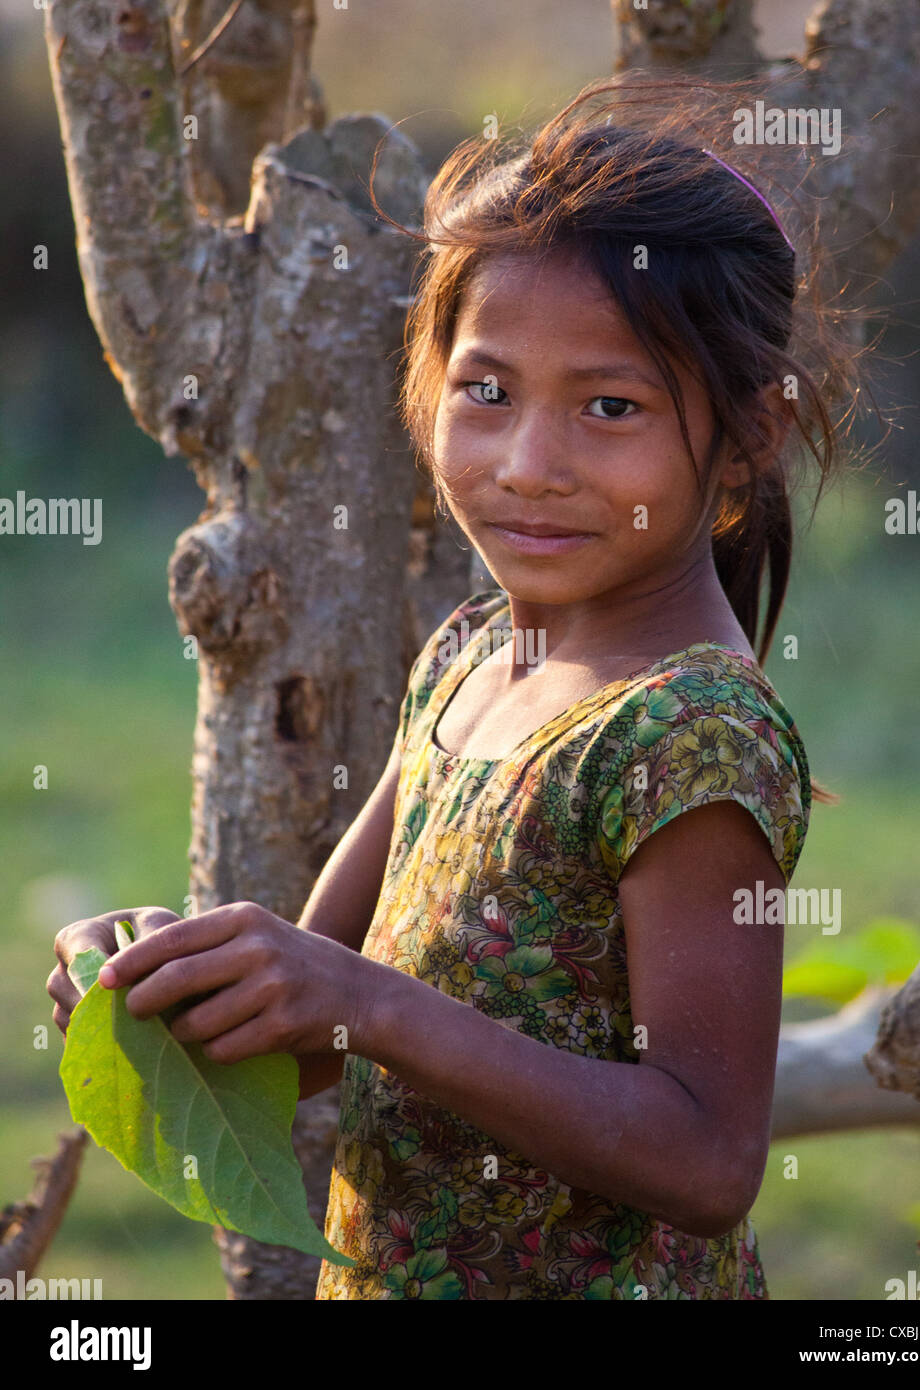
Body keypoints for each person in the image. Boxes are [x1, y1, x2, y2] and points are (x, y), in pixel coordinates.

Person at [48, 72, 871, 1300]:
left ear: (748, 435)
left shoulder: (691, 736)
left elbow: (706, 1158)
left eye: (610, 406)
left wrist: (372, 1007)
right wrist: (168, 979)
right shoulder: (473, 656)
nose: (531, 465)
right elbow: (321, 1022)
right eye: (486, 392)